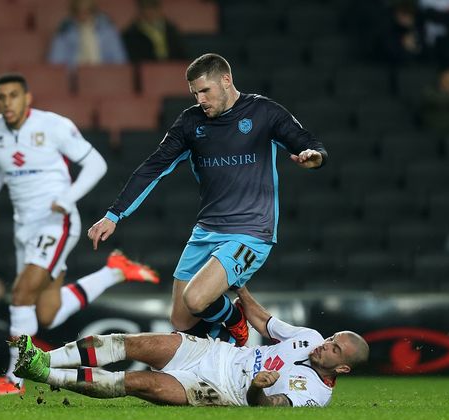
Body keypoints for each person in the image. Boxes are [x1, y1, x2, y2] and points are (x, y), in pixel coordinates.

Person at [87, 53, 328, 346]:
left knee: (197, 298)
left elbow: (309, 145)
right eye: (194, 93)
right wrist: (114, 215)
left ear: (226, 81)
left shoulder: (263, 112)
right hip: (206, 230)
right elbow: (154, 167)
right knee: (181, 320)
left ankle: (236, 321)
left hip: (250, 232)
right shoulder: (190, 122)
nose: (200, 99)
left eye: (205, 91)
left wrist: (313, 158)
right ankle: (226, 339)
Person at [0, 73, 160, 395]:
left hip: (56, 223)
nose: (7, 102)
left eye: (13, 95)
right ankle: (113, 272)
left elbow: (96, 164)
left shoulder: (53, 126)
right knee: (47, 313)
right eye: (1, 97)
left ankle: (14, 380)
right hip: (24, 226)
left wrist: (67, 198)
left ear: (27, 98)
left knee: (20, 294)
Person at [13, 285, 369, 407]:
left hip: (223, 389)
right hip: (216, 353)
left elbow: (272, 408)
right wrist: (243, 293)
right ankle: (42, 357)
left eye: (335, 350)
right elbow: (265, 322)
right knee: (132, 344)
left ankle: (43, 374)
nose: (326, 346)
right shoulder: (309, 337)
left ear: (342, 368)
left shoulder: (315, 397)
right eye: (333, 338)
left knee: (138, 384)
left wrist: (257, 390)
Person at [47, 0, 128, 67]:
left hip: (105, 79)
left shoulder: (109, 33)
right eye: (79, 12)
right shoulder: (64, 33)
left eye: (87, 11)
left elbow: (120, 63)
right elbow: (55, 65)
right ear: (73, 13)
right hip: (73, 79)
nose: (83, 16)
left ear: (94, 12)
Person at [122, 0, 187, 63]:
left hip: (174, 69)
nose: (150, 12)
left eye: (153, 7)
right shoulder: (131, 34)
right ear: (141, 10)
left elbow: (182, 55)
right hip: (147, 70)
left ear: (159, 9)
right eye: (147, 8)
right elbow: (135, 59)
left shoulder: (171, 30)